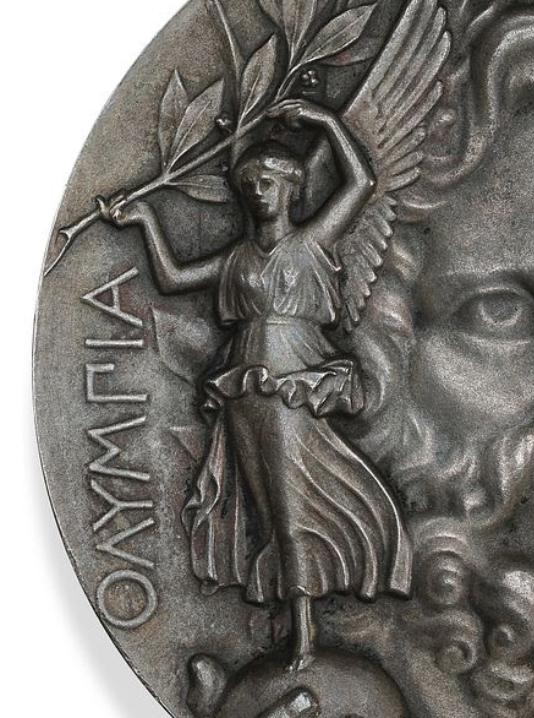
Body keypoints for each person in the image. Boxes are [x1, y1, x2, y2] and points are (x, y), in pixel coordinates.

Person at [102, 99, 412, 673]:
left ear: (292, 190)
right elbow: (171, 279)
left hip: (294, 381)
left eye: (269, 183)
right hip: (244, 391)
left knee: (294, 507)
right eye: (250, 185)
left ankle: (305, 637)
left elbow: (362, 182)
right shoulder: (238, 257)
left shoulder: (313, 241)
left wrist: (324, 120)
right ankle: (287, 619)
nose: (258, 193)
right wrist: (144, 220)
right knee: (267, 511)